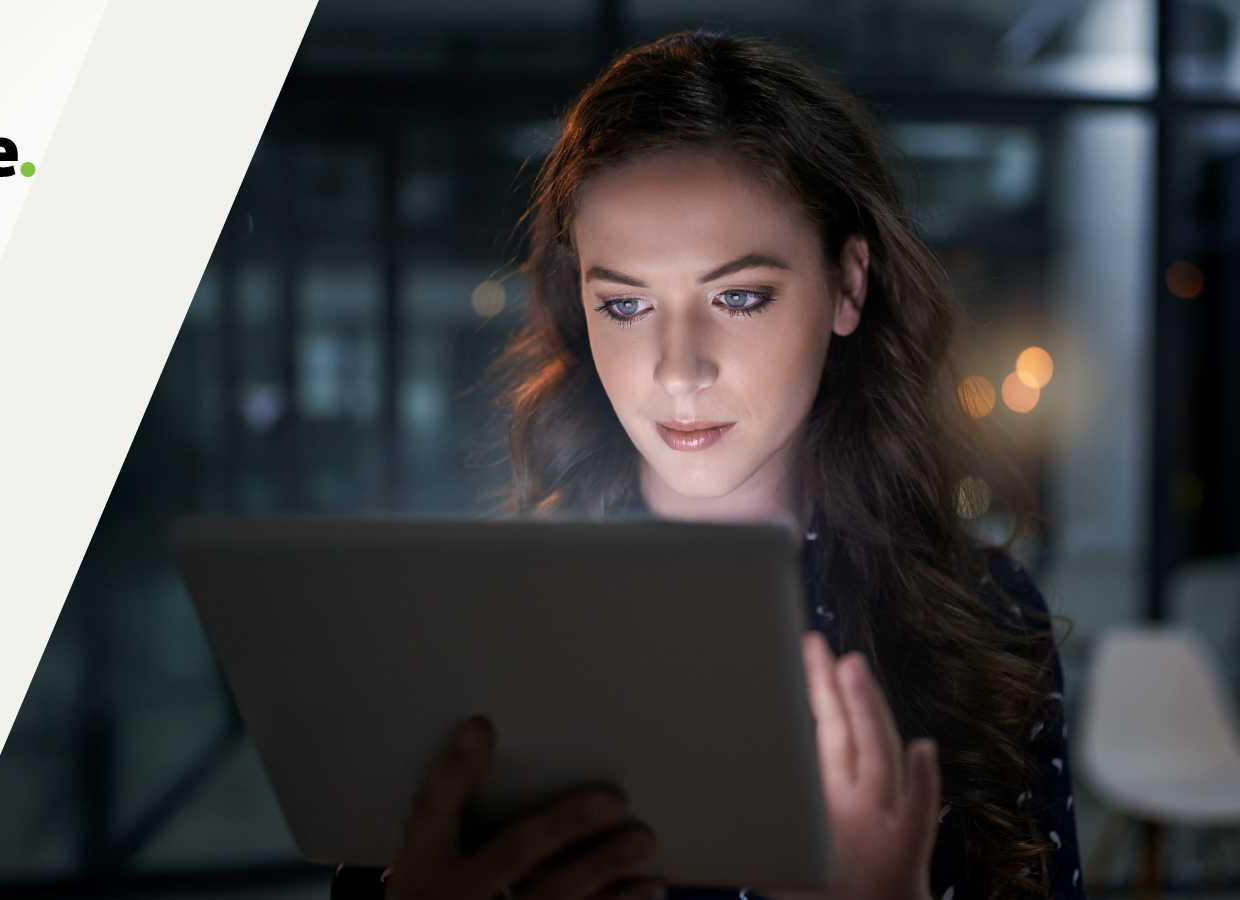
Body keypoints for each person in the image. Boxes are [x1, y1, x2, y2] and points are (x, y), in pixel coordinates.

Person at [331, 30, 1080, 900]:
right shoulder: (473, 636)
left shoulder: (988, 621)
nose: (678, 369)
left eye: (738, 296)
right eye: (626, 304)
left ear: (848, 287)